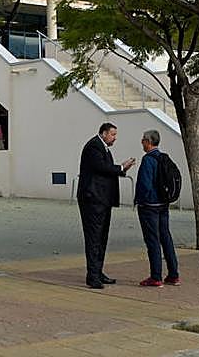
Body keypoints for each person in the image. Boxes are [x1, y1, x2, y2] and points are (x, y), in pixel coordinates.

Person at [77, 122, 134, 288]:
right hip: (93, 200)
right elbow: (101, 168)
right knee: (94, 237)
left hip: (102, 200)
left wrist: (121, 168)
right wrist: (121, 167)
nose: (115, 138)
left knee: (101, 237)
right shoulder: (93, 147)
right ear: (103, 134)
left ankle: (97, 271)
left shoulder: (104, 149)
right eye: (112, 134)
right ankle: (92, 275)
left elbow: (106, 169)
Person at [134, 129, 180, 287]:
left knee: (152, 240)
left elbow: (144, 184)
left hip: (149, 205)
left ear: (148, 141)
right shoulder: (163, 158)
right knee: (166, 237)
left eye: (143, 140)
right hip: (163, 204)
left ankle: (156, 276)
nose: (141, 143)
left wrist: (140, 200)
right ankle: (173, 274)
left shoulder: (148, 160)